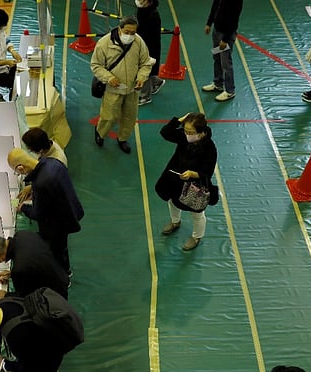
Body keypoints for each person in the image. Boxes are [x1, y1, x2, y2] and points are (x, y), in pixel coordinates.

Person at [7, 148, 84, 275]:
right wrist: (34, 191)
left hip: (56, 223)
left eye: (16, 172)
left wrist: (23, 208)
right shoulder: (52, 162)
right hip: (69, 210)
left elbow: (38, 213)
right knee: (61, 246)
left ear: (21, 168)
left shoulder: (42, 183)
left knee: (57, 248)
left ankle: (65, 274)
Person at [154, 113, 218, 251]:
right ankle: (175, 222)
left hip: (195, 185)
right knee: (172, 200)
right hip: (176, 179)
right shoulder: (184, 137)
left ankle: (196, 236)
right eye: (185, 130)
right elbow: (165, 133)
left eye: (191, 132)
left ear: (201, 132)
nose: (187, 134)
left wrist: (192, 174)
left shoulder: (210, 148)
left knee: (197, 213)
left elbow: (207, 172)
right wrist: (179, 120)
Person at [91, 16, 152, 154]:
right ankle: (100, 133)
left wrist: (141, 78)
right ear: (120, 29)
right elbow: (96, 65)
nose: (130, 35)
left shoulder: (139, 42)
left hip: (132, 89)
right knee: (108, 116)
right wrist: (109, 78)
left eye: (133, 33)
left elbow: (146, 63)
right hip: (113, 89)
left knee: (129, 117)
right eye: (127, 32)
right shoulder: (104, 43)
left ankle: (122, 138)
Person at [0, 231, 69, 299]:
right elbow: (34, 264)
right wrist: (12, 274)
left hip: (56, 296)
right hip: (60, 274)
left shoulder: (20, 269)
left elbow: (25, 298)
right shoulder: (22, 234)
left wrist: (5, 295)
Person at [203, 0, 244, 102]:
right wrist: (209, 23)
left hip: (225, 34)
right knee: (216, 57)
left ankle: (230, 90)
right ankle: (218, 83)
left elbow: (234, 19)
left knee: (225, 62)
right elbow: (215, 6)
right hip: (217, 31)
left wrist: (225, 39)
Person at [136, 0, 166, 105]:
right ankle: (157, 82)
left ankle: (145, 96)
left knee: (145, 70)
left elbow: (148, 35)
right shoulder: (142, 10)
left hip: (149, 46)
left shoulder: (153, 15)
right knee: (148, 70)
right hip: (144, 44)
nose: (138, 1)